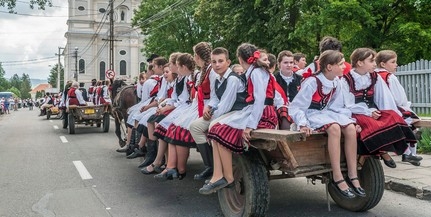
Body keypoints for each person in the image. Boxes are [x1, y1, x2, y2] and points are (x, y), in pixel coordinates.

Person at [199, 43, 278, 194]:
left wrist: (250, 126)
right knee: (216, 129)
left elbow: (260, 100)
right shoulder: (254, 71)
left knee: (218, 130)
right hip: (255, 110)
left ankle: (228, 178)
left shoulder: (255, 72)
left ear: (240, 59)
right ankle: (218, 175)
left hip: (263, 113)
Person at [289, 50, 365, 198]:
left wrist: (350, 120)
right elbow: (296, 107)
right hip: (310, 114)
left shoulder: (337, 82)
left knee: (350, 128)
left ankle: (352, 174)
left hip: (326, 113)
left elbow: (336, 106)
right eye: (341, 64)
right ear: (329, 67)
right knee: (335, 128)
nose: (345, 67)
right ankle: (337, 176)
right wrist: (303, 123)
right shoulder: (313, 82)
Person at [340, 48, 416, 168]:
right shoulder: (346, 80)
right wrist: (368, 112)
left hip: (373, 110)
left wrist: (387, 113)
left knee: (392, 116)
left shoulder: (374, 77)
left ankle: (404, 150)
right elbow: (348, 104)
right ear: (360, 63)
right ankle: (383, 152)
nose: (375, 64)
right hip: (356, 112)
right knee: (369, 124)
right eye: (371, 61)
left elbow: (383, 97)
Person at [375, 50, 423, 166]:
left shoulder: (374, 75)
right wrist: (405, 106)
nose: (396, 65)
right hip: (391, 108)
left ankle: (408, 152)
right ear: (383, 64)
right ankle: (410, 152)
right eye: (393, 62)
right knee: (412, 121)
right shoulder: (389, 77)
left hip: (378, 110)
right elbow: (399, 98)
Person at [274, 50, 302, 130]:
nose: (289, 65)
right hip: (279, 109)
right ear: (279, 64)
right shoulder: (273, 79)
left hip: (297, 109)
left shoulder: (300, 79)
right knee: (284, 111)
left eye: (291, 62)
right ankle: (285, 138)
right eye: (285, 63)